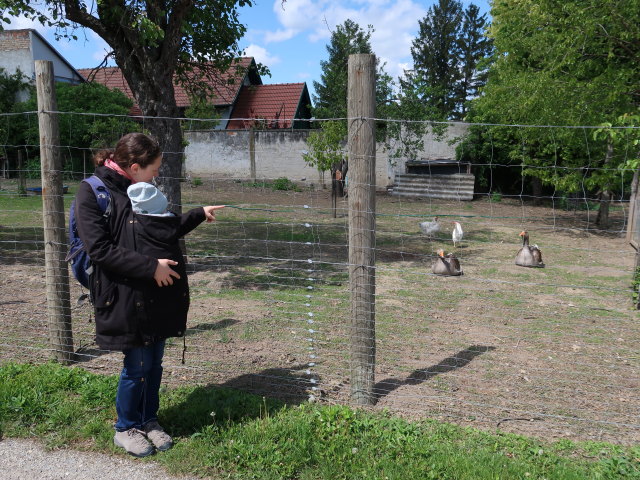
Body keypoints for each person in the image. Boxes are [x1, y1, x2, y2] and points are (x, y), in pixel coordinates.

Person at [75, 133, 224, 457]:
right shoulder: (93, 192)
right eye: (153, 169)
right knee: (137, 364)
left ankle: (148, 420)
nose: (156, 175)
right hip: (125, 295)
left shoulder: (139, 189)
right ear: (134, 166)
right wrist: (150, 267)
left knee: (154, 363)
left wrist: (198, 214)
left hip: (155, 295)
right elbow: (99, 249)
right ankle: (126, 427)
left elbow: (160, 228)